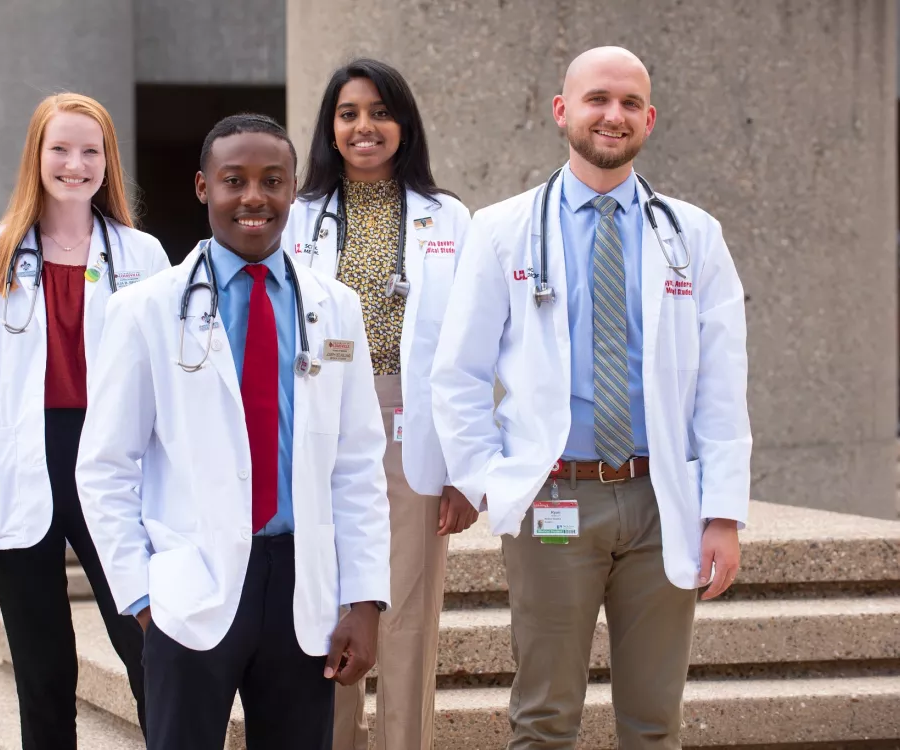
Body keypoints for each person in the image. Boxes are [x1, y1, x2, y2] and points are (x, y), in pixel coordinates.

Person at [430, 47, 751, 749]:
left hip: (660, 500)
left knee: (654, 722)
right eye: (597, 99)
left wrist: (723, 514)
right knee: (544, 719)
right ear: (562, 111)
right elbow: (458, 372)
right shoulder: (503, 229)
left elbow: (723, 384)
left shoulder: (693, 236)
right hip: (554, 497)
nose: (613, 115)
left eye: (630, 103)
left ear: (649, 119)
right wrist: (490, 479)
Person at [75, 113, 391, 750]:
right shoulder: (144, 310)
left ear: (293, 189)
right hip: (190, 583)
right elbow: (105, 466)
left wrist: (364, 600)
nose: (254, 197)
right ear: (203, 187)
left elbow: (357, 463)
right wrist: (141, 598)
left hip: (301, 584)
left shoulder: (334, 307)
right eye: (234, 180)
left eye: (272, 181)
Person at [0, 92, 170, 749]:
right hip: (19, 467)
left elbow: (171, 384)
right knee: (43, 671)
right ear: (35, 158)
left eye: (91, 151)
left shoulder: (144, 256)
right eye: (60, 149)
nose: (75, 164)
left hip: (115, 466)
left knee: (152, 650)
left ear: (108, 162)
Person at [282, 58, 473, 750]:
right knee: (329, 607)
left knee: (409, 615)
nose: (365, 127)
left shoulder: (448, 216)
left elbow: (473, 345)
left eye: (380, 112)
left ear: (405, 124)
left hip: (409, 423)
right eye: (349, 114)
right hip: (322, 421)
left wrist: (465, 470)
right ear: (330, 128)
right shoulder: (297, 217)